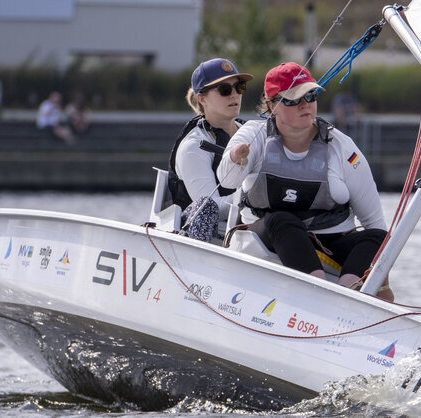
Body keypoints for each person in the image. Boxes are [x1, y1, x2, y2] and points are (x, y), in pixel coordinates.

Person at [217, 62, 393, 302]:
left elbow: (374, 222)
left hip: (329, 241)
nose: (305, 104)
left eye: (310, 95)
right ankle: (319, 291)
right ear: (272, 106)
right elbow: (226, 181)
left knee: (380, 238)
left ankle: (347, 295)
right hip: (266, 237)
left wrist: (382, 280)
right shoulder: (253, 135)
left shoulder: (341, 147)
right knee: (282, 220)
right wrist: (237, 159)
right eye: (293, 99)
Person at [167, 58, 254, 242]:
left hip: (249, 232)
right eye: (224, 90)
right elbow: (213, 206)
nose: (234, 95)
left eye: (239, 87)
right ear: (202, 98)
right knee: (206, 207)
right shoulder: (193, 146)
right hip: (204, 237)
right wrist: (253, 193)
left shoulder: (253, 134)